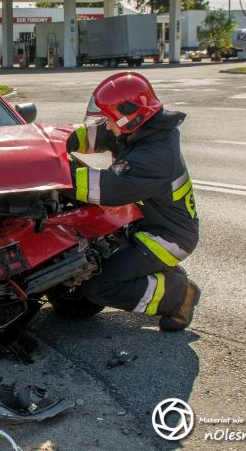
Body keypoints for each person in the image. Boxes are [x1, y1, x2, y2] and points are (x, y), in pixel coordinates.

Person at [64, 72, 200, 332]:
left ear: (130, 115)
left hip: (167, 238)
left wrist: (55, 175)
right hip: (144, 224)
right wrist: (56, 142)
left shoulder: (155, 154)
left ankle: (177, 296)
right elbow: (93, 136)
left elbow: (104, 188)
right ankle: (158, 276)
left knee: (100, 286)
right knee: (98, 261)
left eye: (110, 118)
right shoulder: (139, 129)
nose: (107, 124)